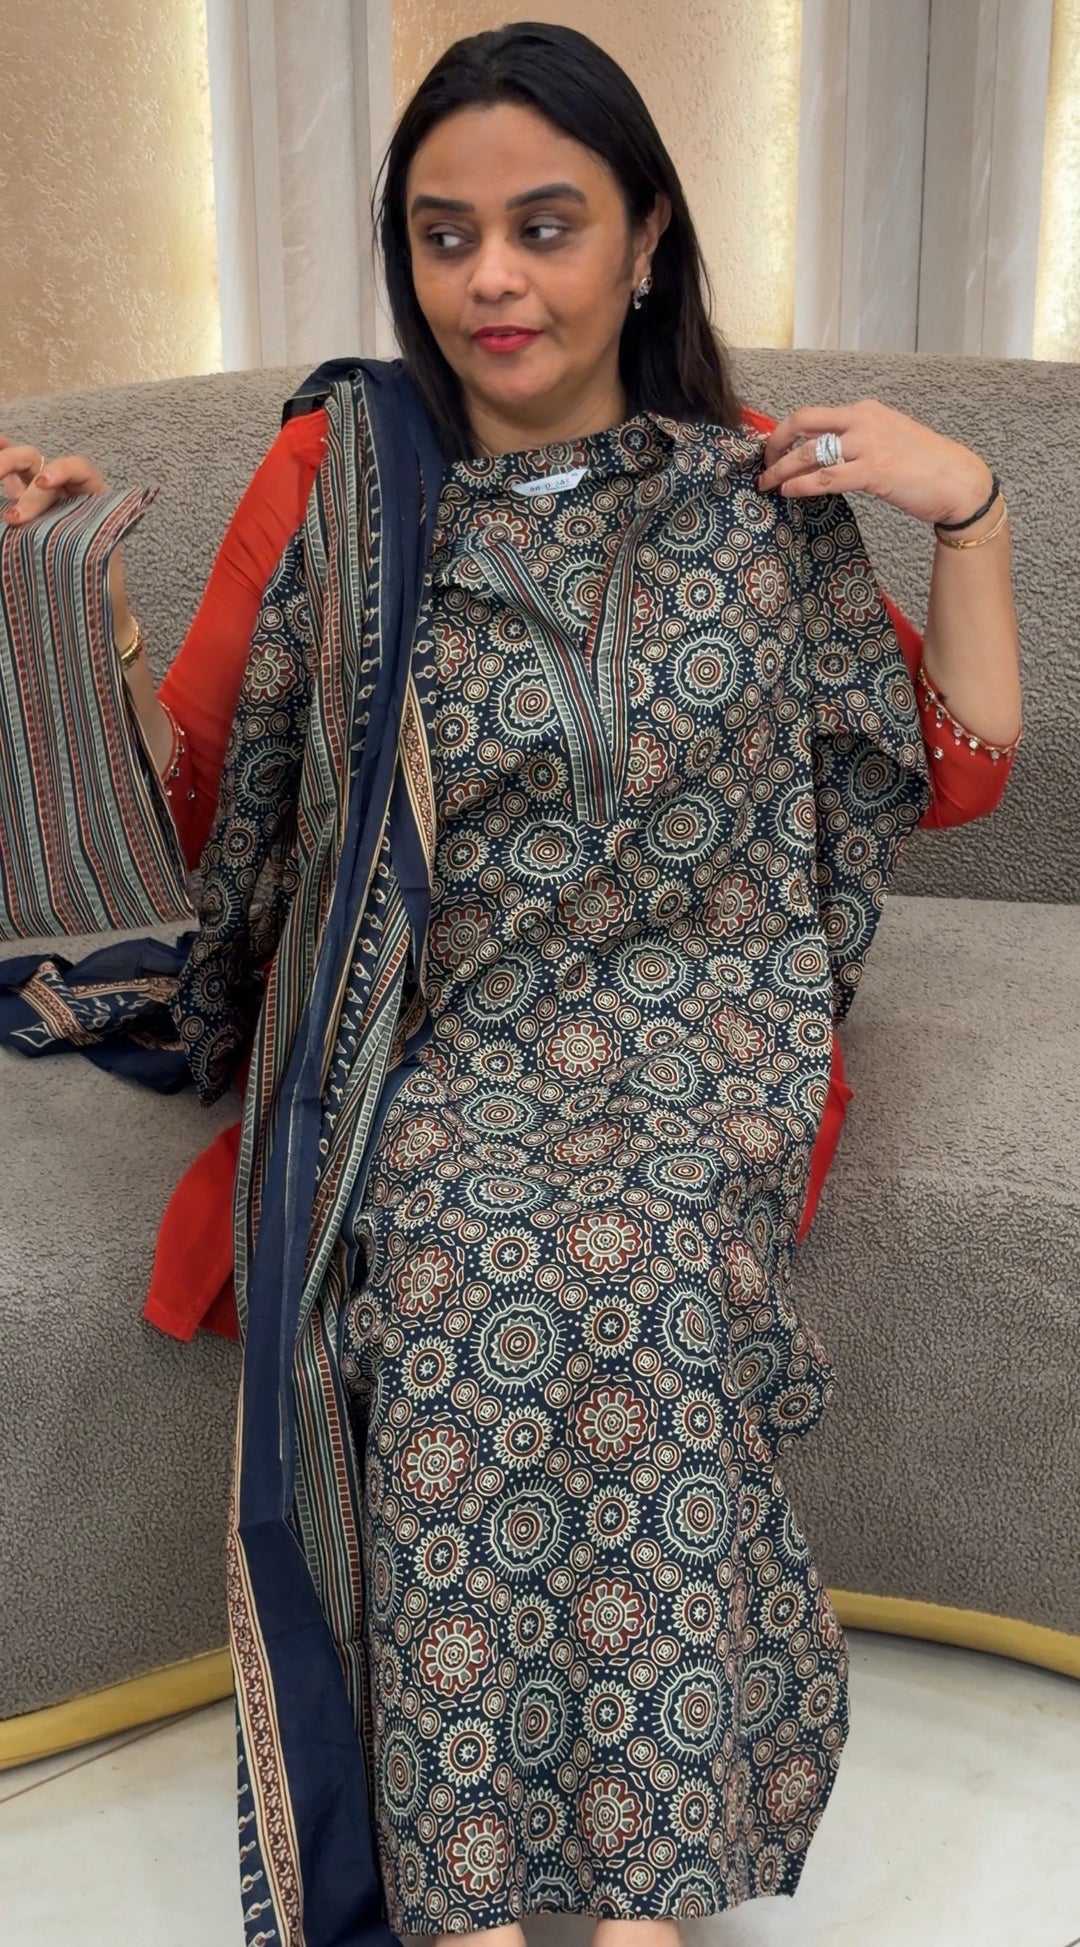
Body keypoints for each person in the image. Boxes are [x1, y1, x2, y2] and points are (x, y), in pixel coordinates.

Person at [0, 22, 1022, 1947]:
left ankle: (640, 1911)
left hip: (709, 1022)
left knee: (637, 1265)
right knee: (459, 1264)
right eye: (445, 234)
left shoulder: (753, 492)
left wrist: (964, 503)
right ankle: (465, 1909)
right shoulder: (347, 479)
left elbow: (950, 765)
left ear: (646, 238)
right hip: (443, 1029)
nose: (492, 280)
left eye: (546, 226)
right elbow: (224, 804)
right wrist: (83, 598)